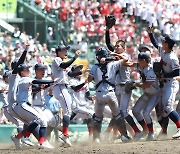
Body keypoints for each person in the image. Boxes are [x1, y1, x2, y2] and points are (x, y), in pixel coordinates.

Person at [105, 19, 142, 140]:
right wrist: (107, 30)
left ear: (123, 48)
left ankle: (137, 131)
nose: (116, 47)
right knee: (118, 113)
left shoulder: (125, 56)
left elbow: (124, 60)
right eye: (116, 46)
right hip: (117, 87)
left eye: (118, 46)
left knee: (124, 112)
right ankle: (123, 134)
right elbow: (108, 44)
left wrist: (114, 54)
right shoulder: (116, 55)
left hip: (125, 86)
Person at [85, 47, 131, 143]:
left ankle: (96, 139)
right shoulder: (113, 64)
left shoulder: (94, 67)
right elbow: (126, 59)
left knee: (97, 118)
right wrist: (114, 55)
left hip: (99, 95)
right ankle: (124, 136)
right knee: (118, 116)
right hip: (110, 94)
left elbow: (89, 80)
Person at [11, 63, 55, 149]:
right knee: (40, 120)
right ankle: (26, 137)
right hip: (23, 105)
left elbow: (37, 87)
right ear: (22, 72)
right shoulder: (24, 79)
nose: (28, 70)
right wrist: (51, 81)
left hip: (24, 106)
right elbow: (36, 82)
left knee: (42, 121)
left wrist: (48, 84)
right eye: (26, 69)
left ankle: (38, 141)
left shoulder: (25, 79)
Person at [148, 26, 180, 139]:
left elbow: (177, 72)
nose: (162, 42)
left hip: (171, 84)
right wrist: (150, 33)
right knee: (163, 110)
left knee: (168, 107)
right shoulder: (164, 51)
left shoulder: (172, 57)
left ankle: (179, 127)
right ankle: (164, 131)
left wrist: (164, 75)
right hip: (164, 84)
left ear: (167, 44)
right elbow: (155, 43)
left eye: (163, 41)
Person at [51, 45, 81, 147]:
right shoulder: (57, 59)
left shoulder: (62, 61)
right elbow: (63, 66)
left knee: (69, 111)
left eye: (67, 50)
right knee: (68, 111)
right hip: (59, 87)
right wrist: (74, 58)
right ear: (59, 52)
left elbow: (69, 74)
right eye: (64, 50)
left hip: (62, 87)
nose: (66, 52)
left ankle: (63, 130)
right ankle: (64, 134)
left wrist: (82, 72)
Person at [132, 52, 160, 141]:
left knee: (146, 112)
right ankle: (145, 129)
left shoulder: (150, 70)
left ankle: (151, 132)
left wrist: (136, 84)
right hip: (147, 93)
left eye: (139, 60)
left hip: (155, 94)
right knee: (135, 111)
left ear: (143, 60)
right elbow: (131, 64)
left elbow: (148, 84)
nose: (138, 62)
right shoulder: (142, 66)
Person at [68, 64, 94, 138]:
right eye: (77, 70)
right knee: (91, 114)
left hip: (83, 106)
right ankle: (63, 132)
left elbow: (87, 94)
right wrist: (84, 83)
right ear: (74, 73)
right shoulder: (72, 81)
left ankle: (91, 136)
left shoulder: (83, 80)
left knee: (91, 115)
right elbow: (75, 88)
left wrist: (91, 98)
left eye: (80, 69)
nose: (79, 71)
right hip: (75, 106)